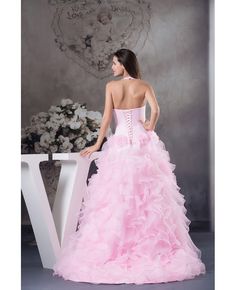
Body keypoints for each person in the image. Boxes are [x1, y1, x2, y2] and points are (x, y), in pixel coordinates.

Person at [52, 48, 206, 284]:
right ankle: (149, 250)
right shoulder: (144, 85)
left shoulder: (111, 87)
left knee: (118, 198)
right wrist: (150, 127)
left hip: (120, 146)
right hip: (144, 145)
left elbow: (105, 119)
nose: (112, 67)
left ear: (123, 65)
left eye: (114, 63)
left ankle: (118, 248)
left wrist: (96, 144)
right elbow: (156, 111)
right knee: (149, 199)